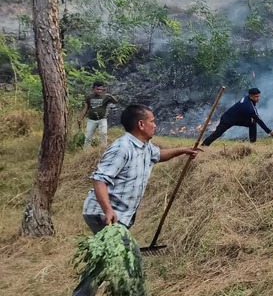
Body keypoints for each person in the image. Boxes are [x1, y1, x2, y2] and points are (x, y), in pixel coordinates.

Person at [72, 104, 200, 296]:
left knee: (101, 261)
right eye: (152, 121)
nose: (155, 125)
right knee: (131, 260)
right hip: (105, 214)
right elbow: (99, 179)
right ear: (141, 124)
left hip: (118, 215)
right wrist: (108, 210)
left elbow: (159, 155)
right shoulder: (122, 148)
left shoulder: (145, 146)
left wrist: (182, 150)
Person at [202, 87, 273, 146]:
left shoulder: (248, 98)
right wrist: (269, 131)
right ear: (250, 96)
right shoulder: (248, 106)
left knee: (252, 122)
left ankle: (253, 143)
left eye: (258, 96)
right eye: (256, 97)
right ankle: (204, 144)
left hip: (237, 118)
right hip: (227, 119)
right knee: (218, 133)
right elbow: (258, 119)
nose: (258, 98)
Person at [78, 81, 118, 148]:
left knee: (103, 133)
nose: (99, 91)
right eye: (97, 89)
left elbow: (115, 102)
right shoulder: (89, 97)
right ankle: (86, 151)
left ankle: (103, 148)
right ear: (93, 89)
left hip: (102, 119)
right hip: (91, 120)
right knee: (88, 136)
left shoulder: (106, 97)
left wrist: (110, 96)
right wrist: (80, 118)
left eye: (101, 89)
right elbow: (85, 108)